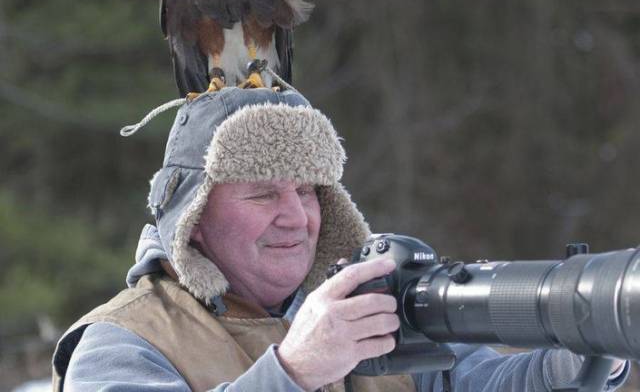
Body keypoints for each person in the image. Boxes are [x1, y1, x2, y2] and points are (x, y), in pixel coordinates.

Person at [52, 87, 629, 391]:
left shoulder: (370, 308)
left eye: (306, 191)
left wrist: (581, 336)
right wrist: (295, 371)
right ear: (193, 217)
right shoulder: (121, 346)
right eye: (262, 193)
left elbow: (481, 382)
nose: (295, 217)